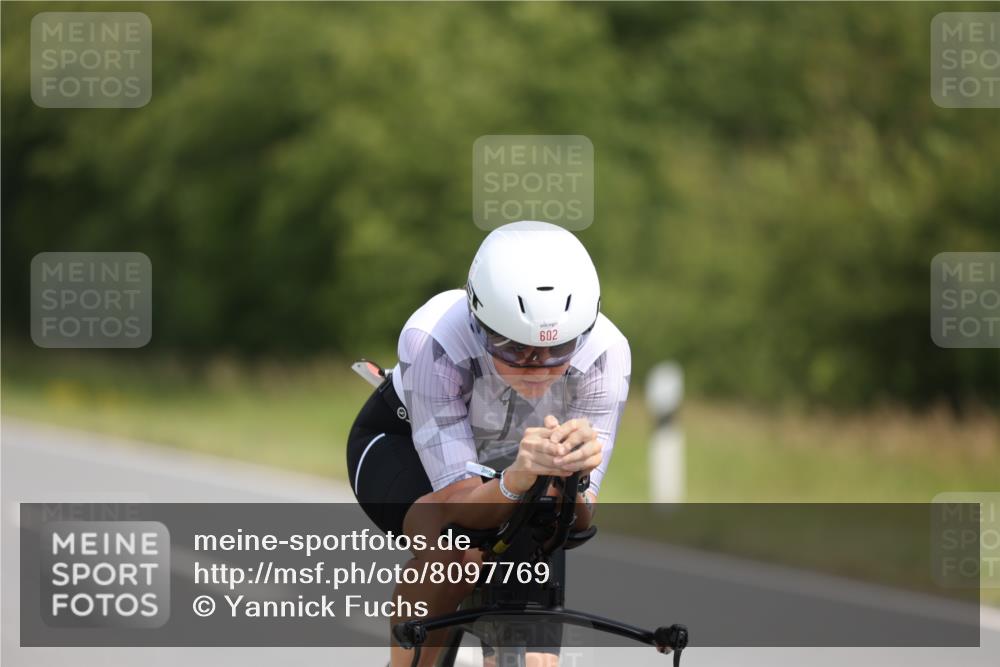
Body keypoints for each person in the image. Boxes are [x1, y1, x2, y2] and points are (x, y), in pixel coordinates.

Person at [347, 220, 632, 666]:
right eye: (512, 347)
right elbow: (453, 505)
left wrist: (574, 479)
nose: (535, 368)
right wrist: (514, 479)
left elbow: (575, 524)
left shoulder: (605, 355)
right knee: (455, 550)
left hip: (520, 466)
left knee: (538, 661)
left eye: (558, 351)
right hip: (403, 446)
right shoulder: (433, 338)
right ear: (478, 322)